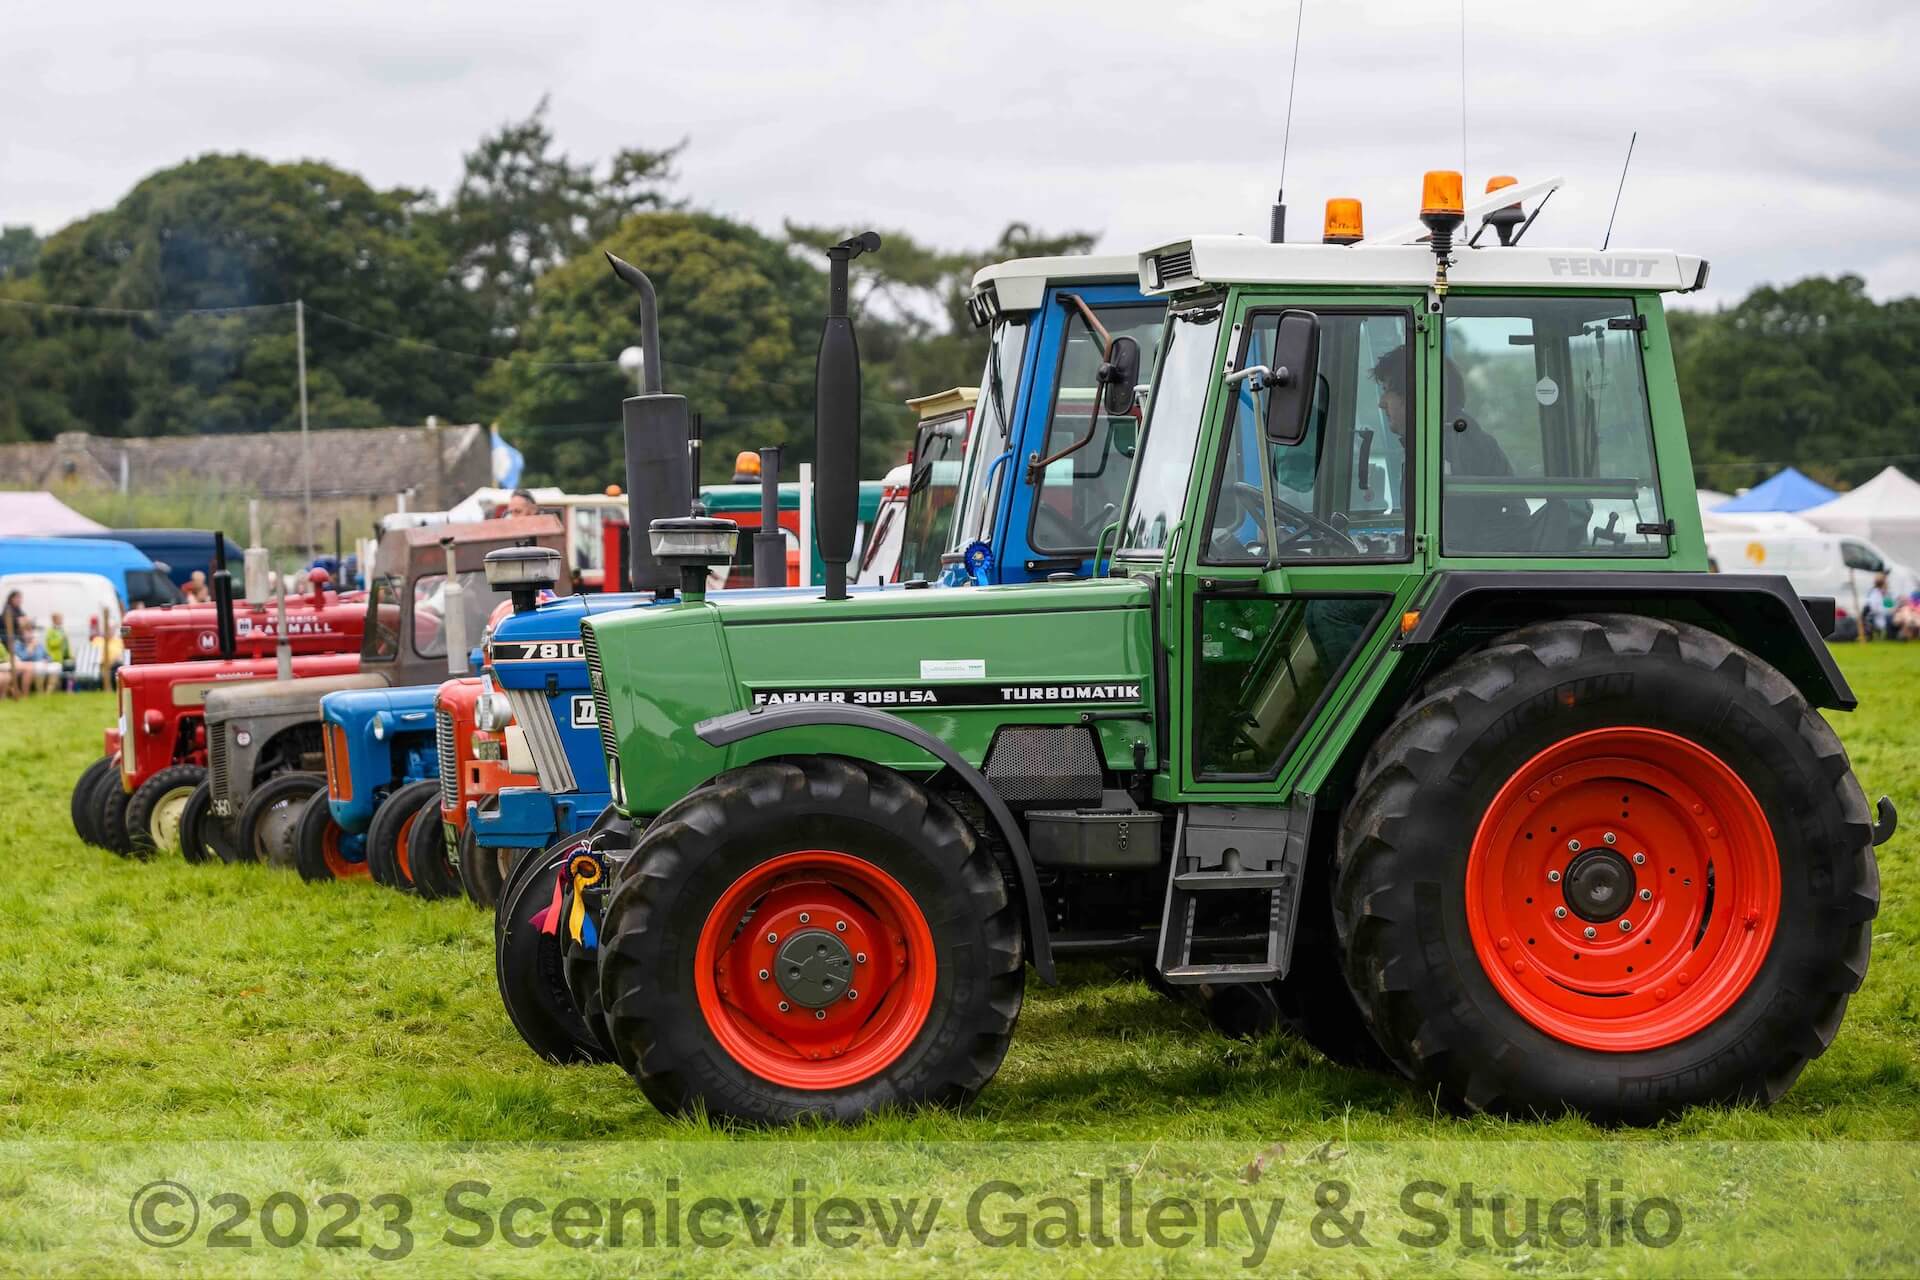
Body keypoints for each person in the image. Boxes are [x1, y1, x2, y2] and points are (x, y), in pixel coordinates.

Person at [1369, 349, 1527, 551]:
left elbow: (1450, 542)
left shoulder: (1448, 448)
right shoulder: (1451, 437)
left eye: (1386, 391)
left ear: (1413, 395)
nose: (1381, 403)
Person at [44, 612, 70, 690]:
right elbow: (52, 644)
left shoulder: (62, 630)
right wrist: (61, 639)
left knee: (67, 674)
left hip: (64, 657)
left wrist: (70, 655)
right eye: (60, 619)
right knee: (54, 676)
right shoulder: (50, 631)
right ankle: (48, 691)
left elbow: (66, 645)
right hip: (55, 658)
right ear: (54, 620)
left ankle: (68, 689)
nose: (62, 620)